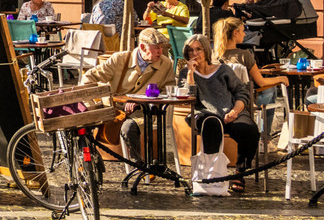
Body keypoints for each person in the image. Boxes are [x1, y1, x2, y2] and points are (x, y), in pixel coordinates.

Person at [80, 28, 177, 162]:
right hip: (116, 111)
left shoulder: (165, 64)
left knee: (129, 127)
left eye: (161, 47)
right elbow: (88, 78)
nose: (160, 51)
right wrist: (93, 105)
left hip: (144, 112)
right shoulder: (120, 59)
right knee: (82, 125)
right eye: (156, 48)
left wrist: (143, 101)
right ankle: (87, 162)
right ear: (142, 47)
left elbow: (168, 91)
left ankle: (139, 164)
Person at [182, 33, 257, 195]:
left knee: (249, 129)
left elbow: (242, 93)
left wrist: (235, 111)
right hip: (204, 115)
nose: (194, 54)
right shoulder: (185, 73)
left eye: (198, 49)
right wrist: (190, 75)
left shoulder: (223, 70)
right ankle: (212, 175)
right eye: (190, 50)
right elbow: (190, 100)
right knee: (211, 124)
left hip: (230, 111)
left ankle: (240, 173)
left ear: (206, 51)